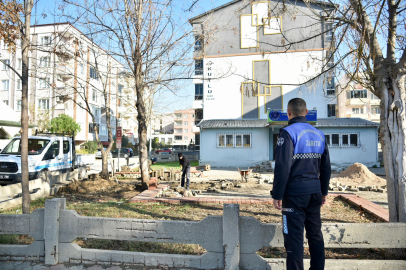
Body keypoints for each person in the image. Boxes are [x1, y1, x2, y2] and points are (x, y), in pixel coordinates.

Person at [271, 98, 331, 270]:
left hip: (295, 195)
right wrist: (324, 192)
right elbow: (326, 167)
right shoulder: (319, 134)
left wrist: (277, 194)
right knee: (315, 236)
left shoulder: (288, 133)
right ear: (306, 112)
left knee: (294, 239)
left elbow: (283, 166)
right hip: (314, 193)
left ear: (288, 113)